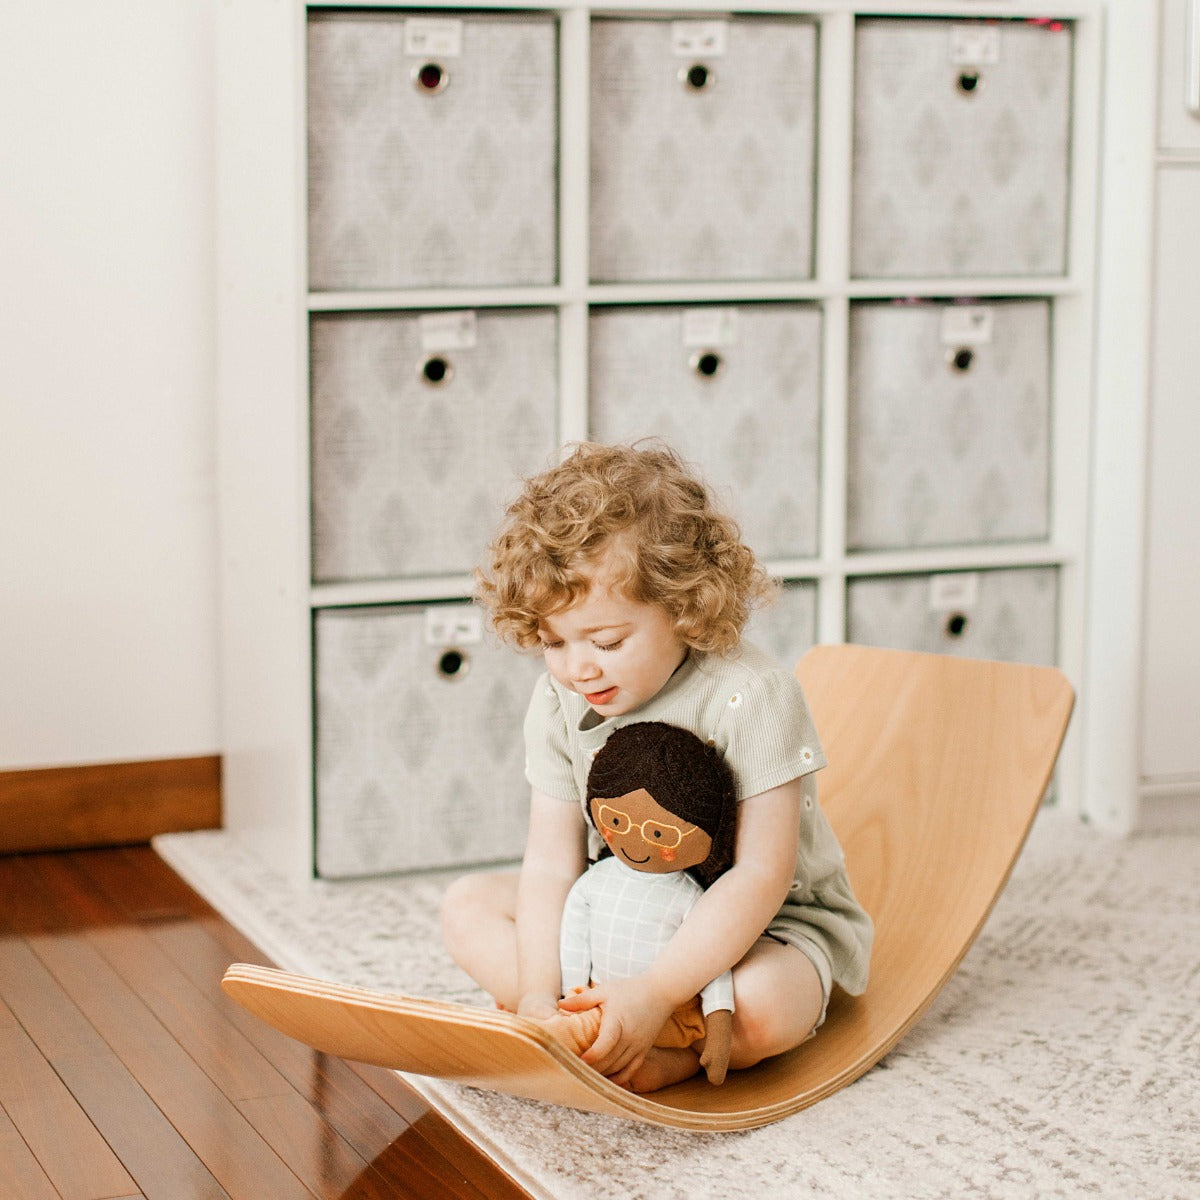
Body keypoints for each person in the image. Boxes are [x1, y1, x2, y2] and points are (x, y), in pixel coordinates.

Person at [441, 441, 873, 1094]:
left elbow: (760, 876)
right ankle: (569, 1021)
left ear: (682, 605)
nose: (578, 668)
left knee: (763, 1005)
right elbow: (553, 863)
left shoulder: (753, 695)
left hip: (763, 926)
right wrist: (535, 990)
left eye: (606, 641)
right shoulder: (558, 698)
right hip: (617, 909)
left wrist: (657, 990)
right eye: (554, 642)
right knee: (466, 906)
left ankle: (669, 1040)